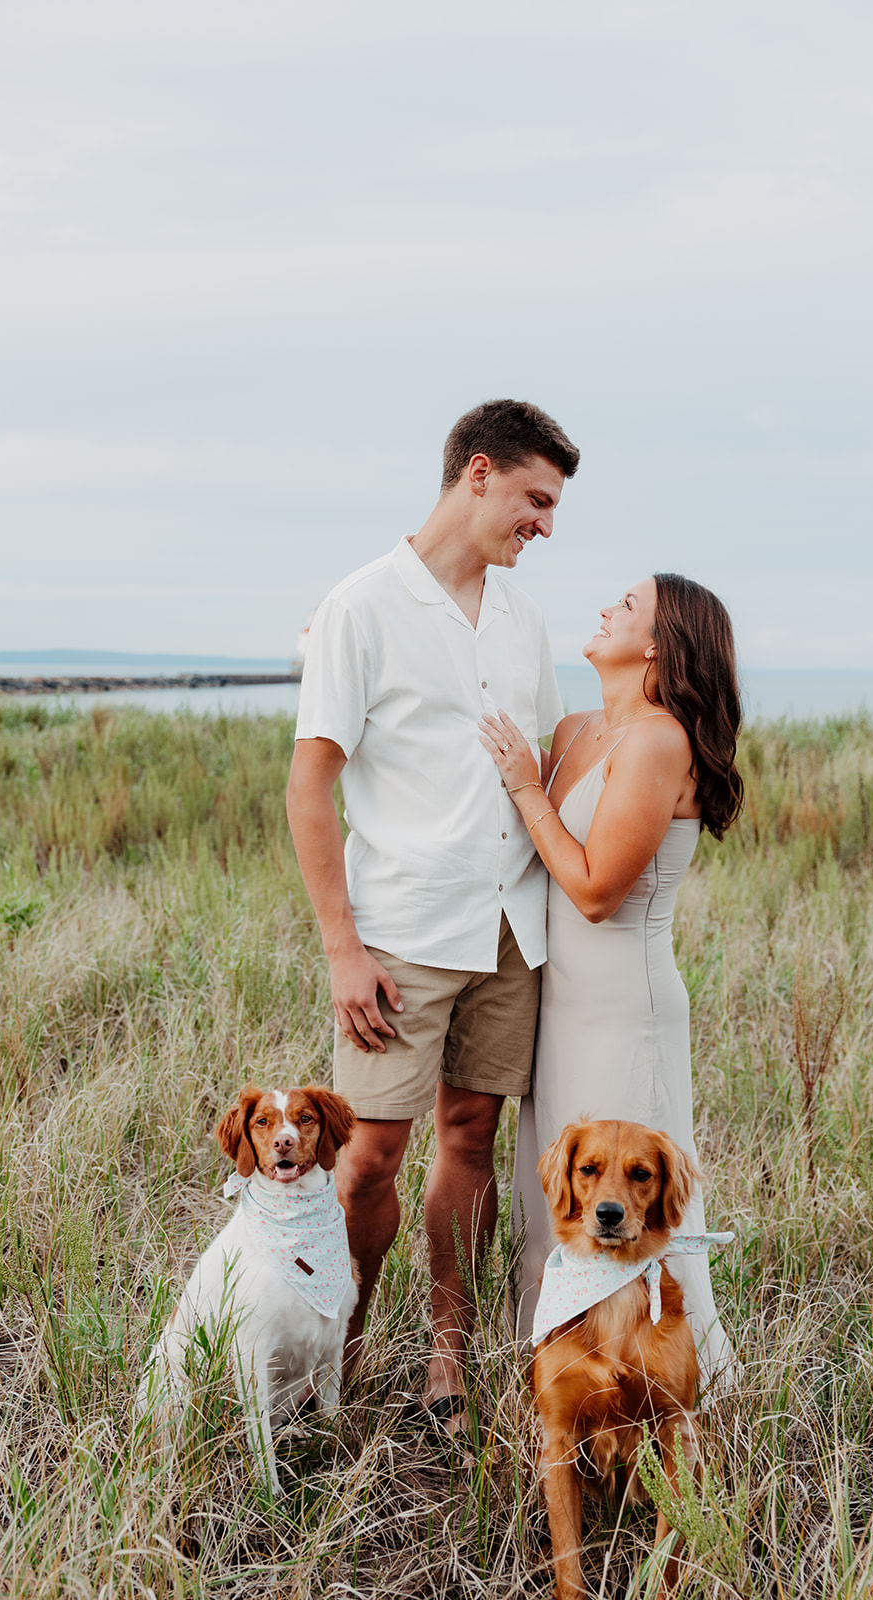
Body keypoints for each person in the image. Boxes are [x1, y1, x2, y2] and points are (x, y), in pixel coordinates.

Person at [286, 399, 581, 1430]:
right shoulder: (360, 606)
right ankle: (345, 1345)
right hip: (402, 931)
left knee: (470, 1133)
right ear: (479, 476)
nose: (543, 525)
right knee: (368, 1154)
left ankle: (444, 1362)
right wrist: (341, 946)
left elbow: (546, 757)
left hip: (511, 925)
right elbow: (307, 788)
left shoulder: (521, 617)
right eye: (535, 501)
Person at [479, 572, 743, 1386]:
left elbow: (593, 890)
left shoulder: (659, 740)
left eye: (624, 606)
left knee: (633, 1208)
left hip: (626, 1012)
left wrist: (526, 785)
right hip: (558, 1009)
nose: (602, 609)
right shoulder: (575, 726)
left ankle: (664, 1397)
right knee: (555, 1201)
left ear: (659, 644)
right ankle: (564, 1390)